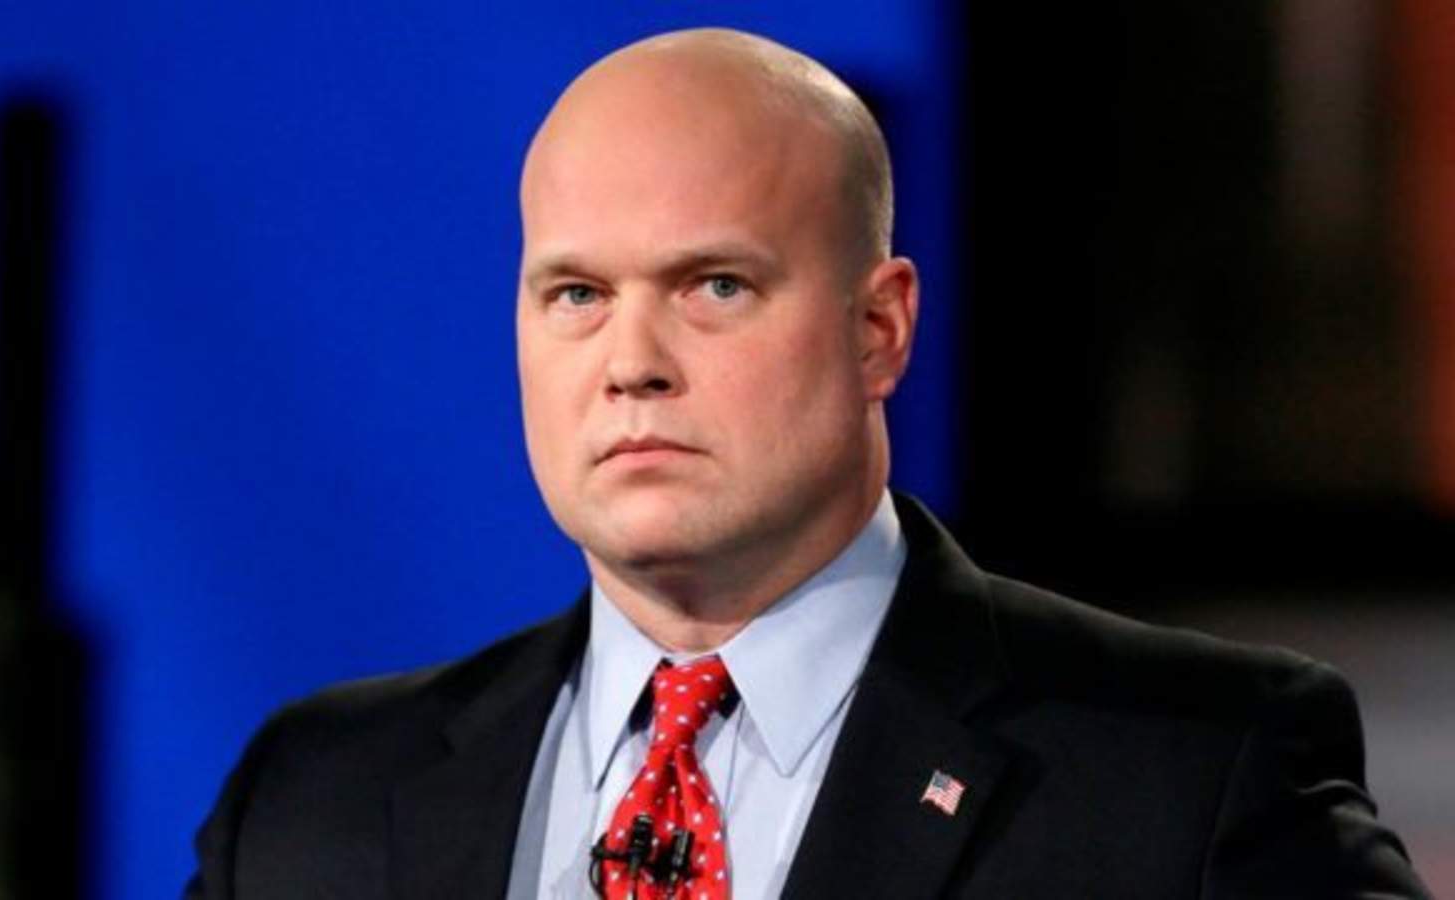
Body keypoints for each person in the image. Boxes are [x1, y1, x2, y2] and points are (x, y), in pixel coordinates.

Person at [185, 28, 1429, 899]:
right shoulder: (313, 805)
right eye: (575, 294)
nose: (631, 363)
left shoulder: (1192, 773)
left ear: (877, 328)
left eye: (715, 286)